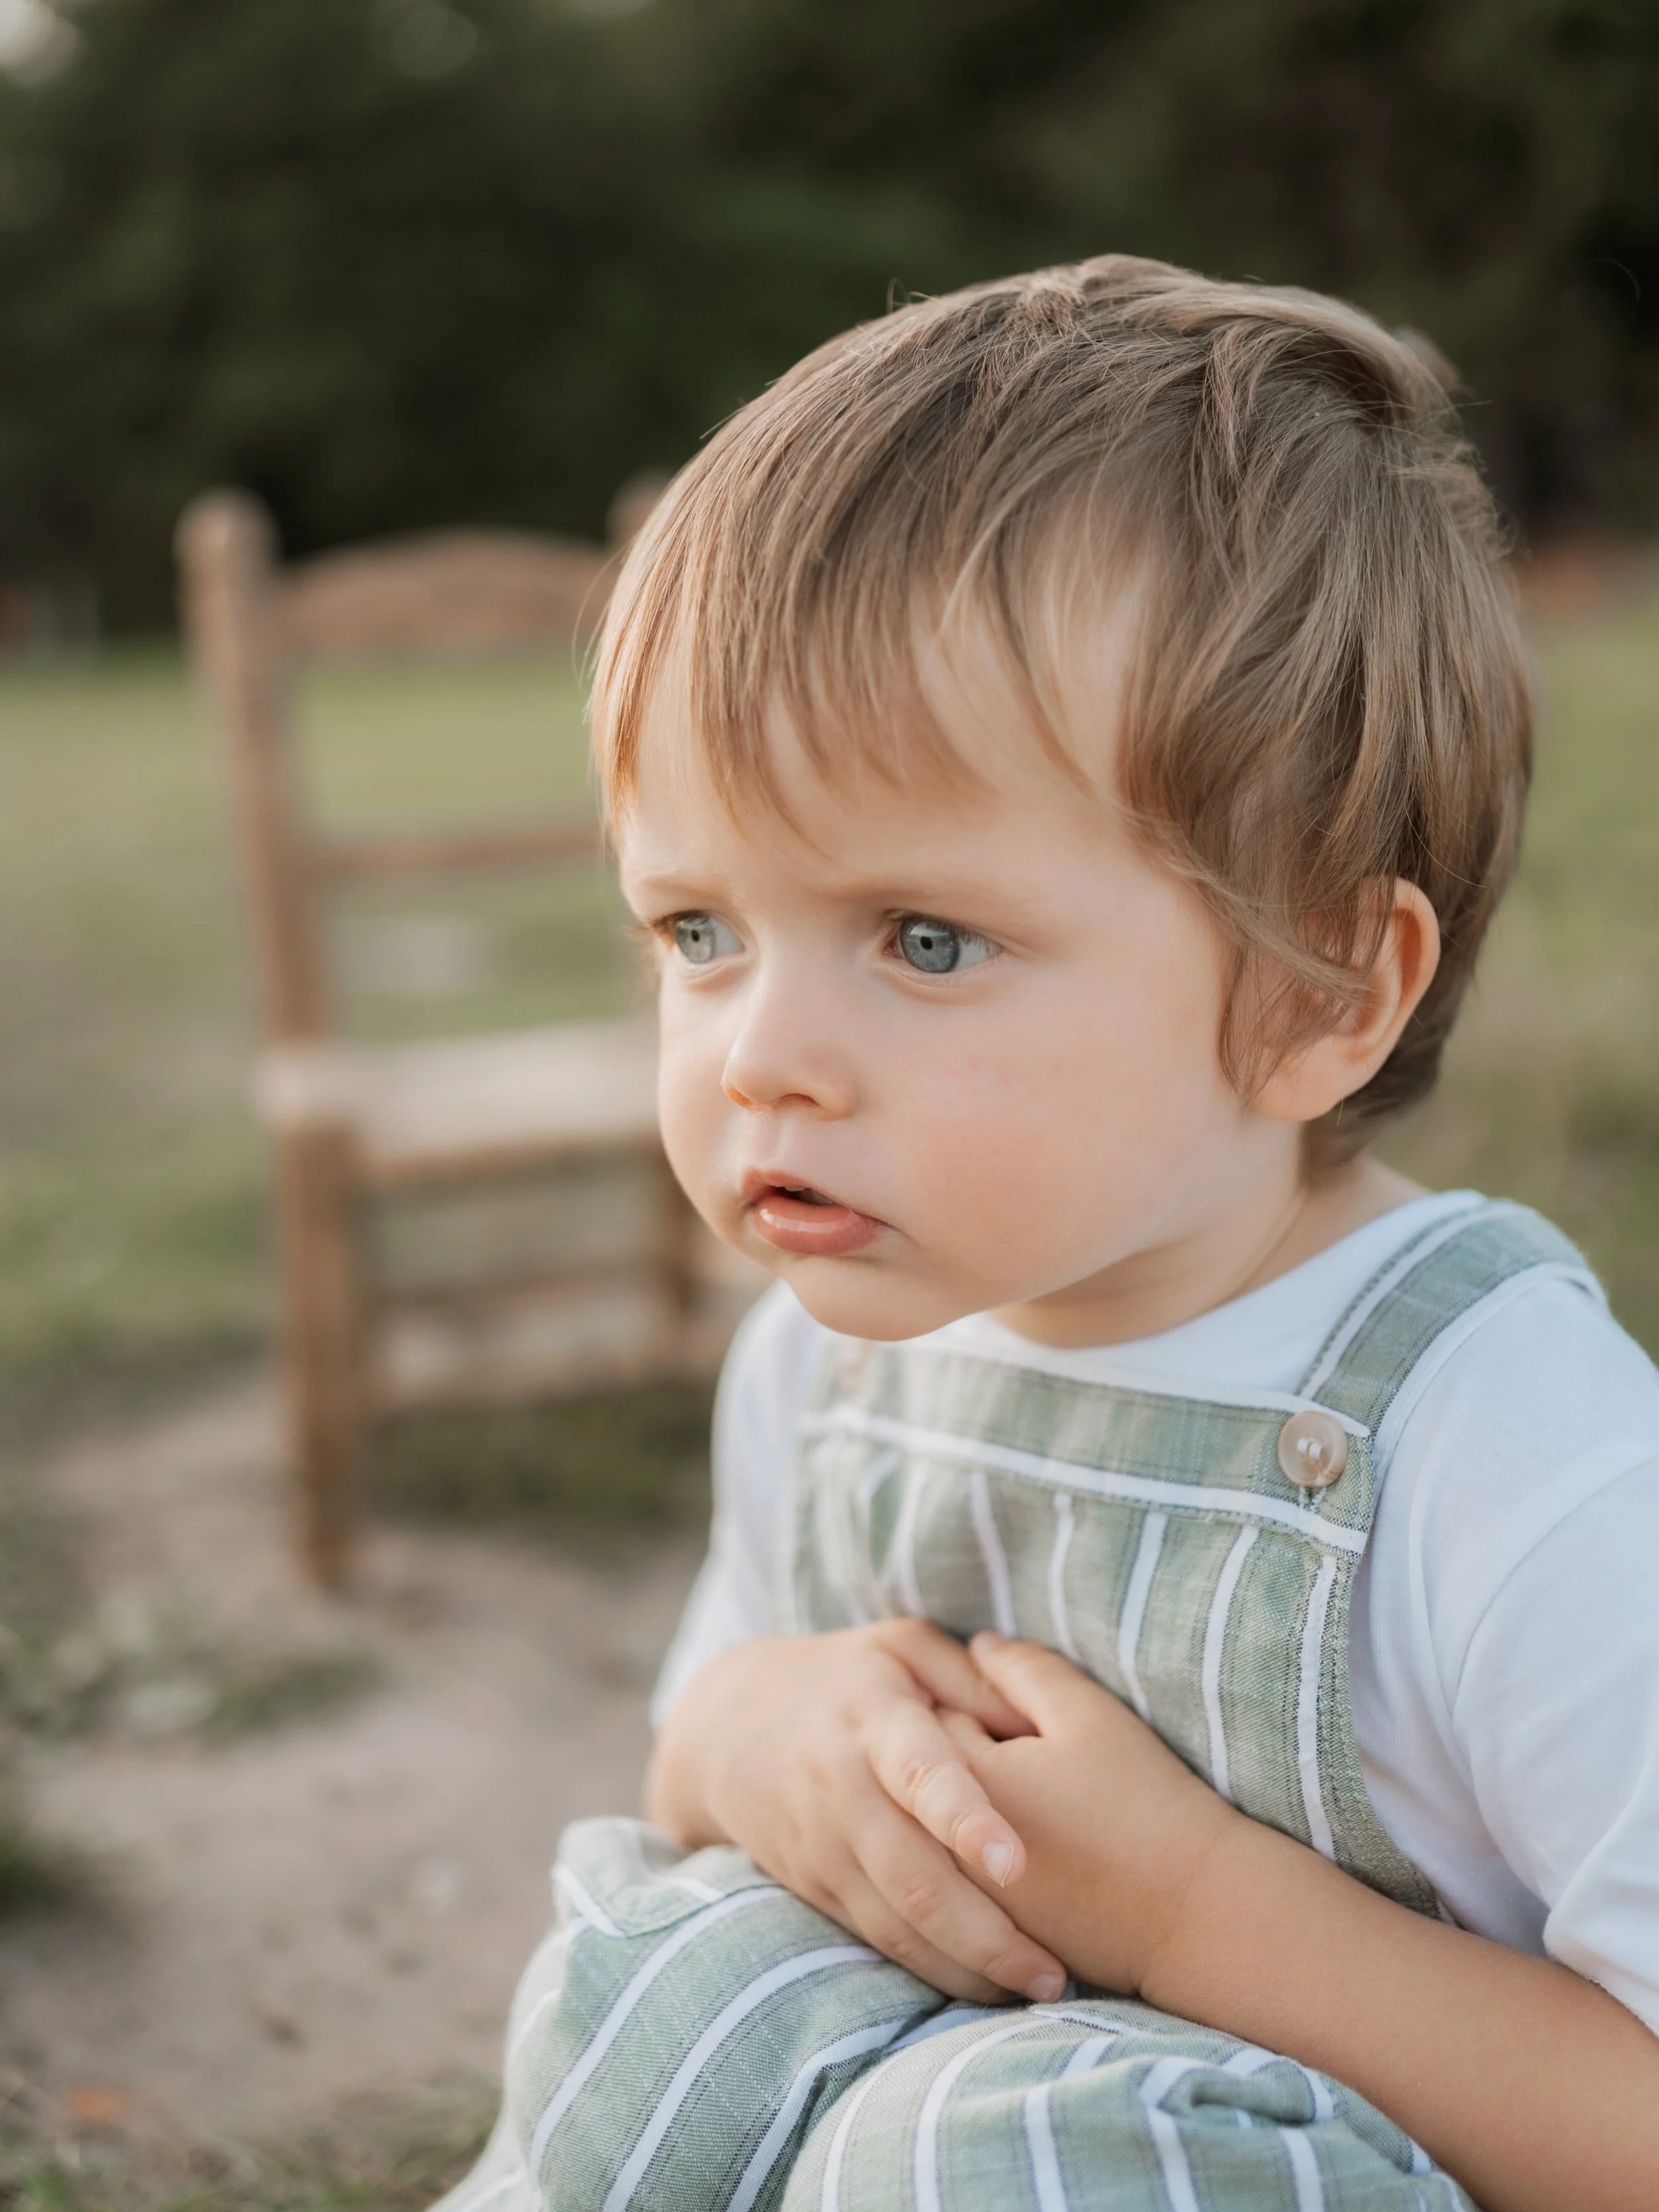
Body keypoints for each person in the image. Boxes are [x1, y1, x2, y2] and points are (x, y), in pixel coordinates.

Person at [436, 257, 1659, 2212]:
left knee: (997, 2153)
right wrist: (754, 1732)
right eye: (697, 931)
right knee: (684, 1978)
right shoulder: (828, 1357)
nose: (761, 1058)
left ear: (1319, 990)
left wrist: (1188, 1912)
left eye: (925, 939)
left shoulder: (1516, 1458)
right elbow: (690, 1753)